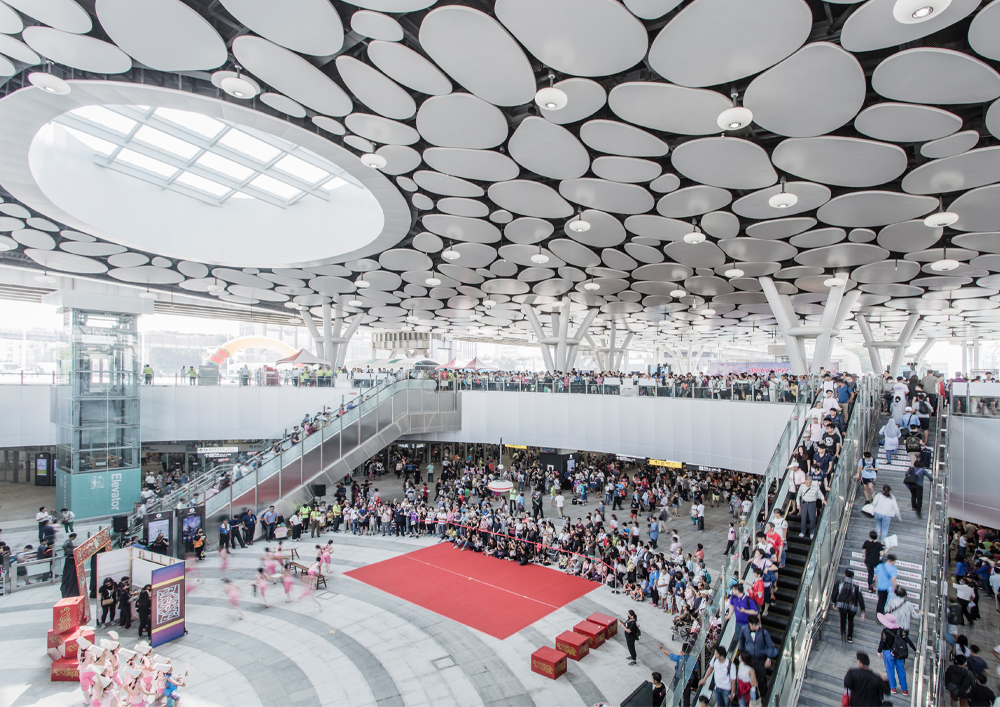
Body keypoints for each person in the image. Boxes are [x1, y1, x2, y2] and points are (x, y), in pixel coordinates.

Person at [877, 613, 915, 696]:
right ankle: (905, 690)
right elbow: (907, 639)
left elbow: (882, 642)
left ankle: (893, 688)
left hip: (888, 653)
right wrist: (915, 649)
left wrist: (879, 651)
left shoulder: (885, 631)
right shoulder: (900, 630)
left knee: (890, 671)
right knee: (901, 671)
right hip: (899, 653)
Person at [738, 615, 776, 698]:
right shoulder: (744, 629)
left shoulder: (763, 632)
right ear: (751, 625)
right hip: (748, 659)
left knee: (761, 679)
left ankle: (763, 697)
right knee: (748, 679)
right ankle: (751, 697)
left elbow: (770, 645)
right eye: (756, 625)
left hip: (760, 659)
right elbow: (741, 640)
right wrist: (741, 653)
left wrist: (768, 659)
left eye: (758, 624)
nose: (758, 626)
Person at [833, 569, 865, 643]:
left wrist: (834, 603)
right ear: (853, 577)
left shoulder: (840, 583)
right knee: (851, 620)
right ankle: (850, 636)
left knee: (843, 620)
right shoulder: (856, 587)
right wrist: (862, 610)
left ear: (844, 574)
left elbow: (834, 594)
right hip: (852, 606)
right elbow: (860, 599)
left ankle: (843, 634)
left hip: (842, 604)